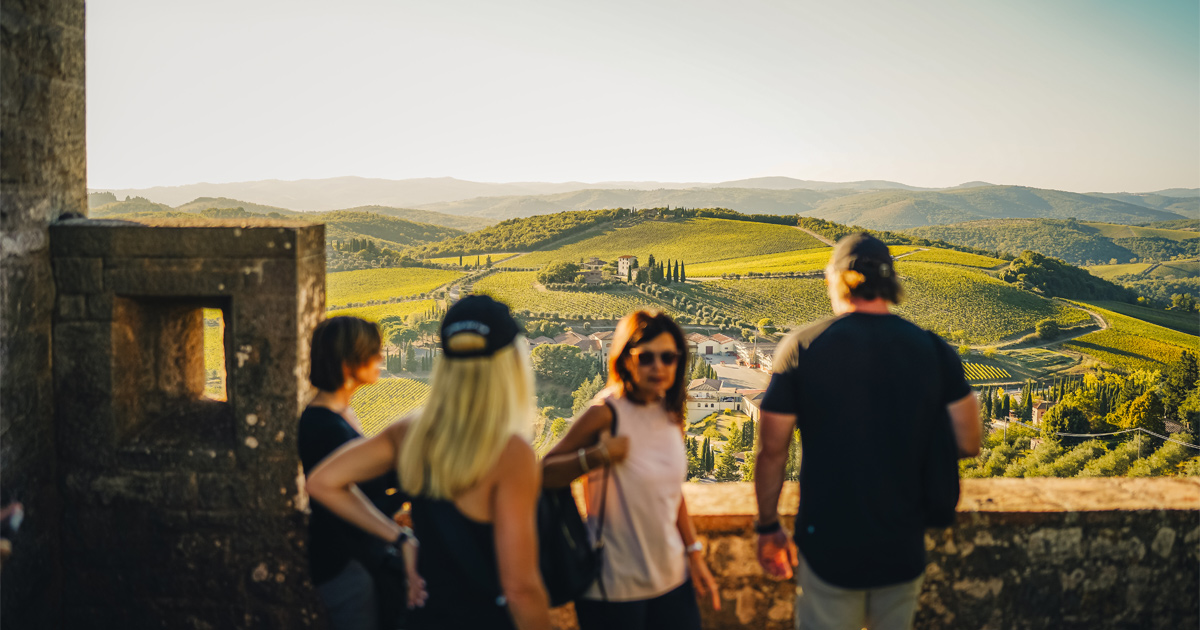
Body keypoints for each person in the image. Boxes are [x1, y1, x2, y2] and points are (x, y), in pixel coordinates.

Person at [753, 233, 981, 630]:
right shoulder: (933, 349)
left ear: (838, 280)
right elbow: (968, 440)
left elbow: (772, 450)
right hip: (903, 544)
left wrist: (768, 526)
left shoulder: (803, 347)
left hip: (827, 545)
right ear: (890, 282)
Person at [306, 295, 551, 630]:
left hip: (425, 614)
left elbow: (322, 481)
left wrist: (402, 539)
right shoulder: (511, 454)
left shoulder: (410, 433)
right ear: (511, 364)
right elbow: (520, 588)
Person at [543, 310, 721, 630]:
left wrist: (694, 554)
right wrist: (596, 456)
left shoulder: (669, 412)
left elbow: (670, 491)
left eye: (668, 357)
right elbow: (544, 472)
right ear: (626, 359)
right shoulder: (606, 412)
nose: (658, 367)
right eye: (646, 357)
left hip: (671, 580)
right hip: (613, 588)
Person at [298, 316, 411, 630]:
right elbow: (348, 501)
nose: (381, 358)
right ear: (349, 362)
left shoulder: (341, 414)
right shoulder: (323, 426)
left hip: (357, 557)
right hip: (345, 565)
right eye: (374, 353)